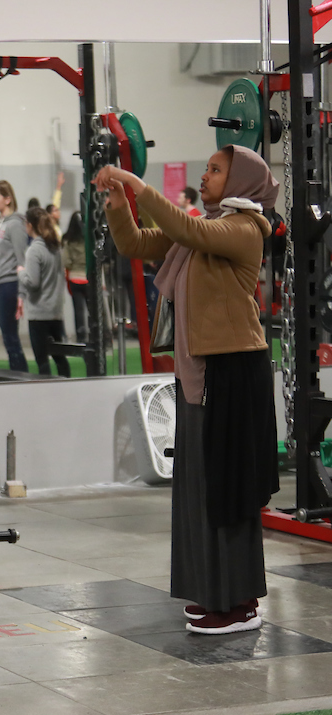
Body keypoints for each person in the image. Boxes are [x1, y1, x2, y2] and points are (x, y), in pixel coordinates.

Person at [96, 145, 279, 635]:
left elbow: (187, 228)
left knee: (228, 491)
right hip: (199, 377)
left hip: (233, 375)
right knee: (201, 491)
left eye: (216, 170)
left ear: (241, 181)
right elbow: (136, 243)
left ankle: (238, 604)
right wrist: (118, 205)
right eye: (207, 168)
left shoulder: (242, 230)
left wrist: (138, 185)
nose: (206, 176)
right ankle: (213, 593)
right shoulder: (204, 230)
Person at [18, 207, 70, 377]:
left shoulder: (34, 250)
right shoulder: (55, 247)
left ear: (29, 225)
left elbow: (32, 283)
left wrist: (20, 272)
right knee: (60, 359)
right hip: (55, 313)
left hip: (39, 315)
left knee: (42, 362)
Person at [0, 180, 29, 371]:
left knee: (11, 338)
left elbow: (22, 261)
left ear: (8, 199)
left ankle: (21, 376)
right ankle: (17, 374)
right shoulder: (1, 223)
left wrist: (21, 294)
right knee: (7, 337)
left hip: (9, 285)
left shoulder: (16, 225)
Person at [61, 211, 89, 343]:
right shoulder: (89, 239)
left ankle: (81, 337)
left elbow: (66, 262)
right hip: (88, 278)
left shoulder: (67, 240)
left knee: (78, 310)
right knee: (93, 310)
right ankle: (96, 336)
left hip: (74, 278)